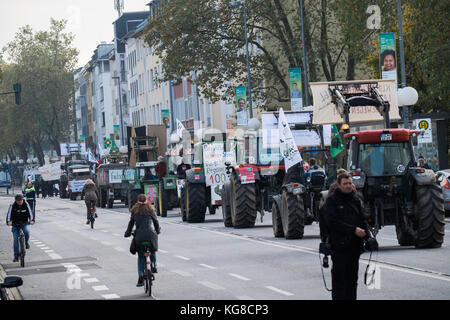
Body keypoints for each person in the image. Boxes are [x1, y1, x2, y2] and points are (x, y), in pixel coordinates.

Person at [323, 172, 370, 300]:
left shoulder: (355, 200)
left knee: (352, 281)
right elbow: (332, 223)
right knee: (339, 282)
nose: (349, 186)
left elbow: (362, 220)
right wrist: (353, 230)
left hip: (354, 248)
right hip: (339, 248)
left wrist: (369, 238)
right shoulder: (332, 201)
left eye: (350, 183)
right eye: (345, 184)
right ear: (339, 185)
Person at [124, 194, 161, 287]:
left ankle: (140, 275)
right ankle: (153, 264)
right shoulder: (150, 210)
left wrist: (127, 233)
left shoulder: (135, 211)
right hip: (150, 235)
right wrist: (157, 231)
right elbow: (156, 222)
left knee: (141, 256)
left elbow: (130, 224)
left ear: (137, 201)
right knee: (153, 249)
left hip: (139, 236)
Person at [6, 194, 35, 262]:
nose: (20, 201)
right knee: (16, 240)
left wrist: (32, 220)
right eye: (18, 200)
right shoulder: (12, 205)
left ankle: (26, 243)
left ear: (23, 199)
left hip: (24, 223)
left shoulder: (26, 204)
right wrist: (8, 221)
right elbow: (9, 215)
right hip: (15, 224)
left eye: (21, 200)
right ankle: (16, 256)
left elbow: (30, 213)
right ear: (15, 200)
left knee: (27, 232)